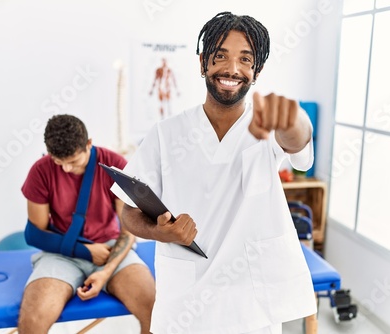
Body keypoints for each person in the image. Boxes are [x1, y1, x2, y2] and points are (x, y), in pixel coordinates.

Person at [112, 12, 317, 334]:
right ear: (203, 63)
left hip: (251, 300)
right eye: (220, 56)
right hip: (185, 298)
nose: (232, 69)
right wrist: (159, 232)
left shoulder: (268, 126)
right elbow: (128, 212)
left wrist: (294, 118)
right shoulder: (166, 133)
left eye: (245, 60)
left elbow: (298, 143)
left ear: (256, 71)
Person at [19, 114, 155, 334]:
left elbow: (129, 228)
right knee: (33, 320)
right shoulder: (40, 171)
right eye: (58, 161)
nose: (65, 169)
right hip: (61, 253)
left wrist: (106, 270)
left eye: (72, 161)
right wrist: (83, 250)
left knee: (154, 309)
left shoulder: (116, 166)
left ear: (89, 144)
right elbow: (35, 235)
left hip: (111, 249)